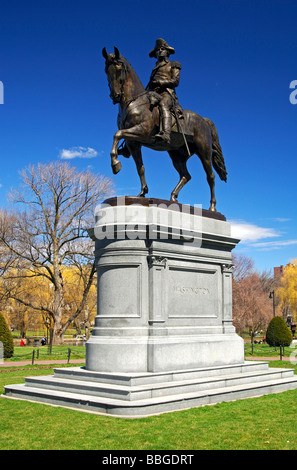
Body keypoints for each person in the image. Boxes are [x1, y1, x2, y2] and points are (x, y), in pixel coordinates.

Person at [146, 38, 182, 144]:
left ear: (167, 51)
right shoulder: (155, 69)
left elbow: (175, 81)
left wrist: (160, 82)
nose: (160, 51)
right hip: (154, 94)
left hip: (167, 93)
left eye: (162, 49)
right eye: (157, 50)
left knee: (163, 104)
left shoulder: (173, 64)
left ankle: (166, 134)